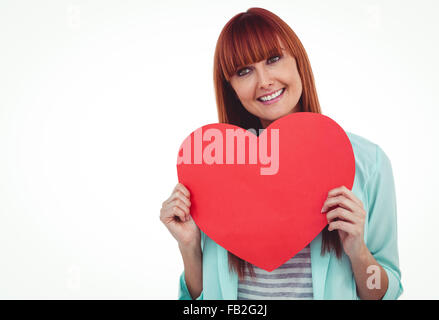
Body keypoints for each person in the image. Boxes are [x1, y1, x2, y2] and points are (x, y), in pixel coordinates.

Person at [159, 7, 403, 300]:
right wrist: (189, 247)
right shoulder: (216, 165)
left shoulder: (369, 163)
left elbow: (386, 293)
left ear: (297, 60)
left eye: (273, 59)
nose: (264, 81)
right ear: (232, 88)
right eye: (244, 71)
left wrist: (357, 251)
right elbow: (201, 301)